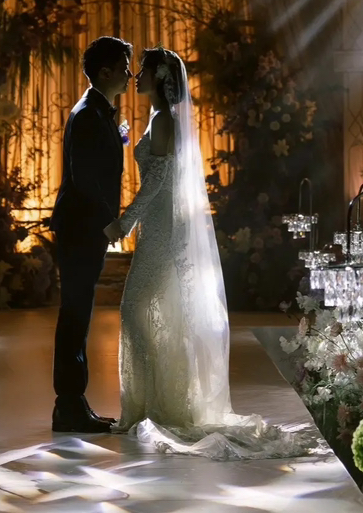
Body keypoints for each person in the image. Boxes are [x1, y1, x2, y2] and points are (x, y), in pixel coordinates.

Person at [103, 47, 306, 460]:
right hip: (159, 225)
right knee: (154, 311)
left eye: (143, 70)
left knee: (134, 309)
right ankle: (153, 404)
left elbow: (157, 183)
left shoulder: (163, 120)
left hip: (162, 226)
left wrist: (124, 222)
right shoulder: (158, 119)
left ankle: (162, 406)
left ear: (160, 78)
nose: (136, 77)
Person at [50, 36, 133, 432]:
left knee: (78, 313)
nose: (130, 75)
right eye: (124, 68)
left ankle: (72, 402)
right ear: (105, 72)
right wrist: (108, 222)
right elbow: (84, 179)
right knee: (75, 314)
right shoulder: (87, 115)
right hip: (80, 228)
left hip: (83, 228)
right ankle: (68, 404)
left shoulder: (97, 111)